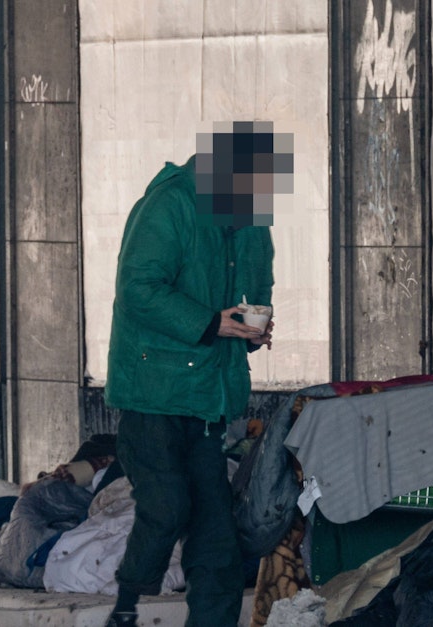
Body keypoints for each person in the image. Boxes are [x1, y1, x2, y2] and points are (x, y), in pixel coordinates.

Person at [103, 122, 291, 627]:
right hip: (153, 392)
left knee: (216, 538)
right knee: (167, 506)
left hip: (210, 396)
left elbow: (258, 288)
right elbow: (138, 288)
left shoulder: (250, 216)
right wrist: (212, 323)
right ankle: (126, 605)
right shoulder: (169, 205)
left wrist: (252, 329)